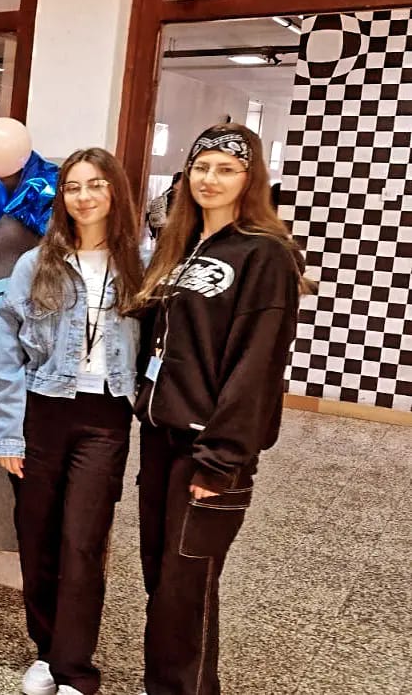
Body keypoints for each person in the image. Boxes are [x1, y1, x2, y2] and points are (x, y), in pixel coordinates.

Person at [133, 123, 312, 695]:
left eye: (226, 169)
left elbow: (256, 368)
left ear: (250, 179)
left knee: (188, 586)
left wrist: (221, 460)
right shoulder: (181, 247)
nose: (210, 179)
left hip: (209, 449)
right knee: (160, 579)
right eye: (201, 167)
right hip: (161, 439)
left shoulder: (265, 254)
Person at [0, 147, 145, 695]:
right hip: (42, 413)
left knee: (83, 542)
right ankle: (47, 653)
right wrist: (8, 433)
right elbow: (7, 353)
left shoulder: (140, 262)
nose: (84, 196)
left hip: (105, 417)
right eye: (73, 186)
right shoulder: (35, 264)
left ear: (115, 191)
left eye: (96, 184)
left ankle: (76, 670)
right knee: (38, 538)